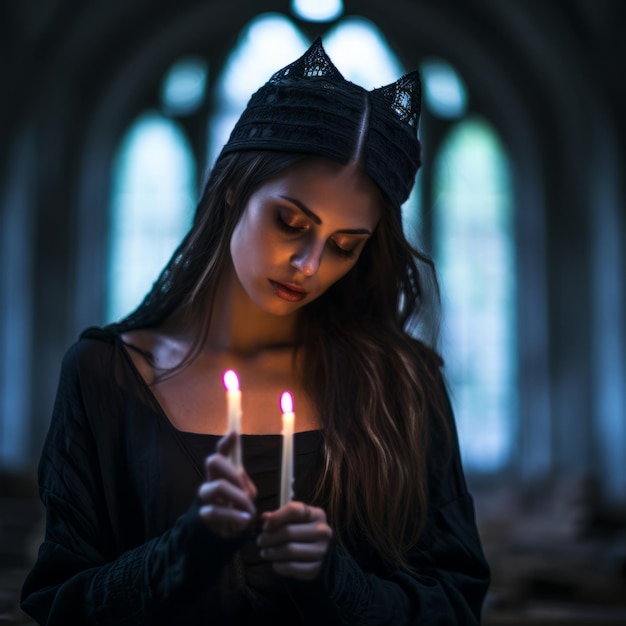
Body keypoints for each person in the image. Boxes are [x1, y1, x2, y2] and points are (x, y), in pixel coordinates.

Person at [20, 37, 490, 624]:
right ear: (234, 192)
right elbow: (57, 602)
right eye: (290, 223)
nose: (310, 266)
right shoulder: (104, 377)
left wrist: (334, 582)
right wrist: (183, 553)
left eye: (345, 247)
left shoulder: (401, 385)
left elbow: (455, 602)